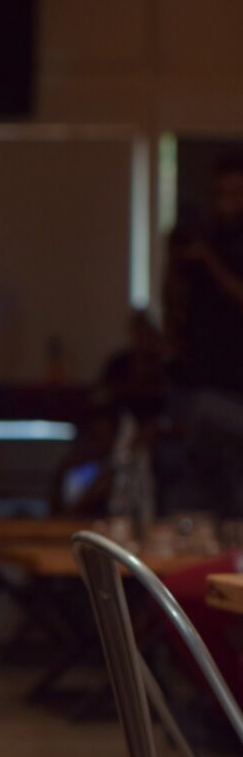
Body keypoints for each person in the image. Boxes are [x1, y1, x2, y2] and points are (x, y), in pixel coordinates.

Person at [161, 147, 243, 516]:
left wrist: (210, 260)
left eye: (235, 194)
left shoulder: (224, 249)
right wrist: (175, 264)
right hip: (197, 382)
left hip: (234, 390)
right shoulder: (205, 235)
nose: (226, 203)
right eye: (220, 193)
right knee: (194, 493)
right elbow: (174, 309)